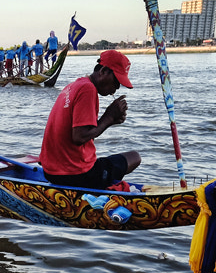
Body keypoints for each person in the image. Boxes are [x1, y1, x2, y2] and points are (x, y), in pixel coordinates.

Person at [39, 50, 142, 188]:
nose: (116, 88)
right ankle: (106, 188)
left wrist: (110, 121)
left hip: (50, 171)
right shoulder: (88, 89)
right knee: (134, 157)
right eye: (116, 81)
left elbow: (81, 135)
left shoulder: (74, 85)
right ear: (104, 71)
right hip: (75, 175)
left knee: (108, 161)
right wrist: (109, 117)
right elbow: (79, 137)